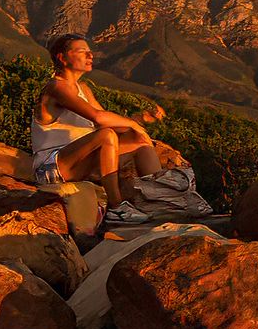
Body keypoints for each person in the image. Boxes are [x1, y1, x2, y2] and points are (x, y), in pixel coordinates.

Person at [31, 33, 166, 224]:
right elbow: (98, 117)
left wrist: (139, 120)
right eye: (82, 51)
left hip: (80, 161)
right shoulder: (56, 88)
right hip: (52, 168)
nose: (90, 55)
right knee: (106, 136)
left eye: (90, 51)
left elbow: (105, 121)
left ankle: (160, 200)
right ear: (62, 58)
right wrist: (132, 123)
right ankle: (116, 208)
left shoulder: (83, 89)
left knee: (139, 140)